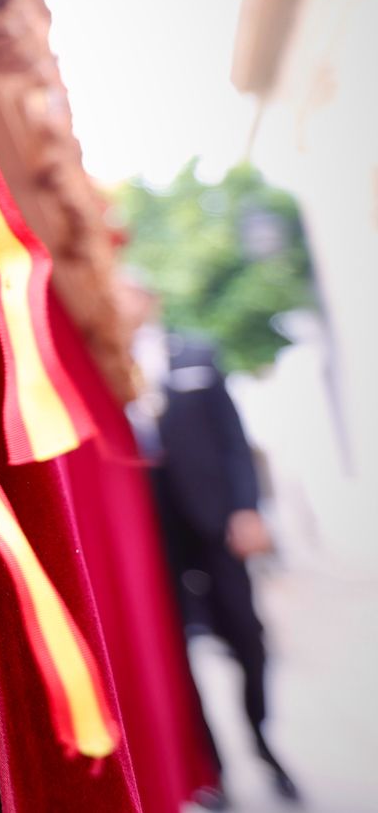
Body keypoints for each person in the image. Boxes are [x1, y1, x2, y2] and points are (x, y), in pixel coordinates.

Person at [125, 280, 300, 805]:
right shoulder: (102, 367)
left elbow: (232, 439)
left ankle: (263, 743)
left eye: (128, 292)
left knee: (248, 637)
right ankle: (210, 768)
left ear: (151, 299)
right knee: (176, 654)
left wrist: (247, 509)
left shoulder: (196, 353)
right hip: (153, 535)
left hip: (216, 523)